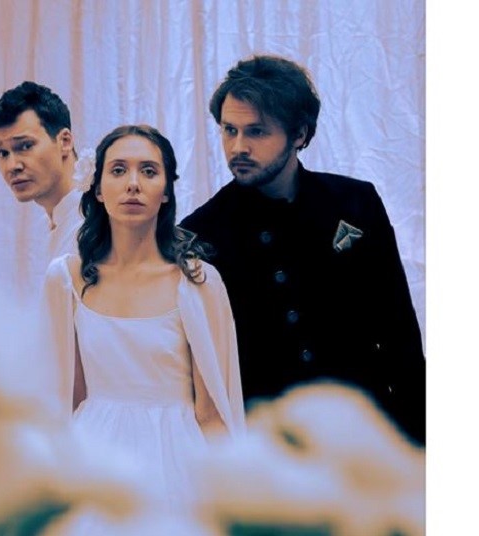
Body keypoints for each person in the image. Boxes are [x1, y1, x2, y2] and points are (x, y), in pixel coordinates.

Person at [180, 55, 426, 446]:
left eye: (256, 132)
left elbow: (399, 330)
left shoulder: (356, 202)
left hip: (366, 435)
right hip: (268, 450)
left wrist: (418, 444)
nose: (237, 147)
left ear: (299, 133)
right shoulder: (199, 233)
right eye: (229, 130)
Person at [41, 124, 246, 521]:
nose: (133, 184)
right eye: (118, 170)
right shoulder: (65, 279)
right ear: (98, 189)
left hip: (180, 461)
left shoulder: (198, 281)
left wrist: (241, 503)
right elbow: (66, 398)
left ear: (166, 190)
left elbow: (211, 412)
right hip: (93, 460)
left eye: (149, 171)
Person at [0, 81, 84, 263]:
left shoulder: (98, 223)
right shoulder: (50, 222)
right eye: (2, 153)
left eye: (25, 146)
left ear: (65, 142)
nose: (12, 166)